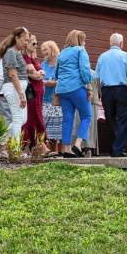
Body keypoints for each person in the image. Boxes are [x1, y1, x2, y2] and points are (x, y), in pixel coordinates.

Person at [95, 33, 127, 157]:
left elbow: (97, 77)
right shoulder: (126, 56)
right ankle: (118, 149)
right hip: (122, 89)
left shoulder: (102, 57)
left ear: (110, 43)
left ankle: (114, 148)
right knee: (123, 120)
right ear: (121, 43)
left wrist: (100, 92)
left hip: (106, 90)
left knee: (110, 120)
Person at [55, 30, 93, 158]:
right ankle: (77, 144)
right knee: (87, 116)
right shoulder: (80, 51)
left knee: (67, 119)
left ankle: (66, 148)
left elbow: (56, 73)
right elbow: (85, 70)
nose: (85, 42)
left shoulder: (62, 53)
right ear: (79, 41)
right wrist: (89, 86)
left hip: (62, 90)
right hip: (77, 87)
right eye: (83, 40)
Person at [0, 27, 30, 140]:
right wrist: (21, 94)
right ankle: (15, 151)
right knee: (17, 118)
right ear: (17, 38)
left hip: (17, 88)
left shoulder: (16, 52)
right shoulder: (11, 52)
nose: (26, 43)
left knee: (23, 119)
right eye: (25, 40)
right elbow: (12, 74)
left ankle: (2, 141)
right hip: (13, 88)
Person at [22, 34, 46, 149]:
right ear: (27, 44)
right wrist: (39, 73)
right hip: (33, 91)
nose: (36, 46)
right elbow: (36, 75)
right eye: (33, 43)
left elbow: (41, 72)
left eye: (37, 43)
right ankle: (40, 144)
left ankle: (35, 144)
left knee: (36, 115)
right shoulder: (25, 57)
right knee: (34, 116)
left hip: (40, 91)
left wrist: (39, 73)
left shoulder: (34, 58)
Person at [41, 40, 63, 154]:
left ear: (52, 49)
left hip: (57, 99)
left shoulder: (60, 63)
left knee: (57, 125)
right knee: (46, 124)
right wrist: (45, 82)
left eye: (46, 49)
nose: (44, 52)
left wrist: (54, 83)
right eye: (42, 50)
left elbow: (64, 78)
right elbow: (39, 78)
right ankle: (48, 150)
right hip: (45, 99)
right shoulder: (43, 64)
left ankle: (57, 151)